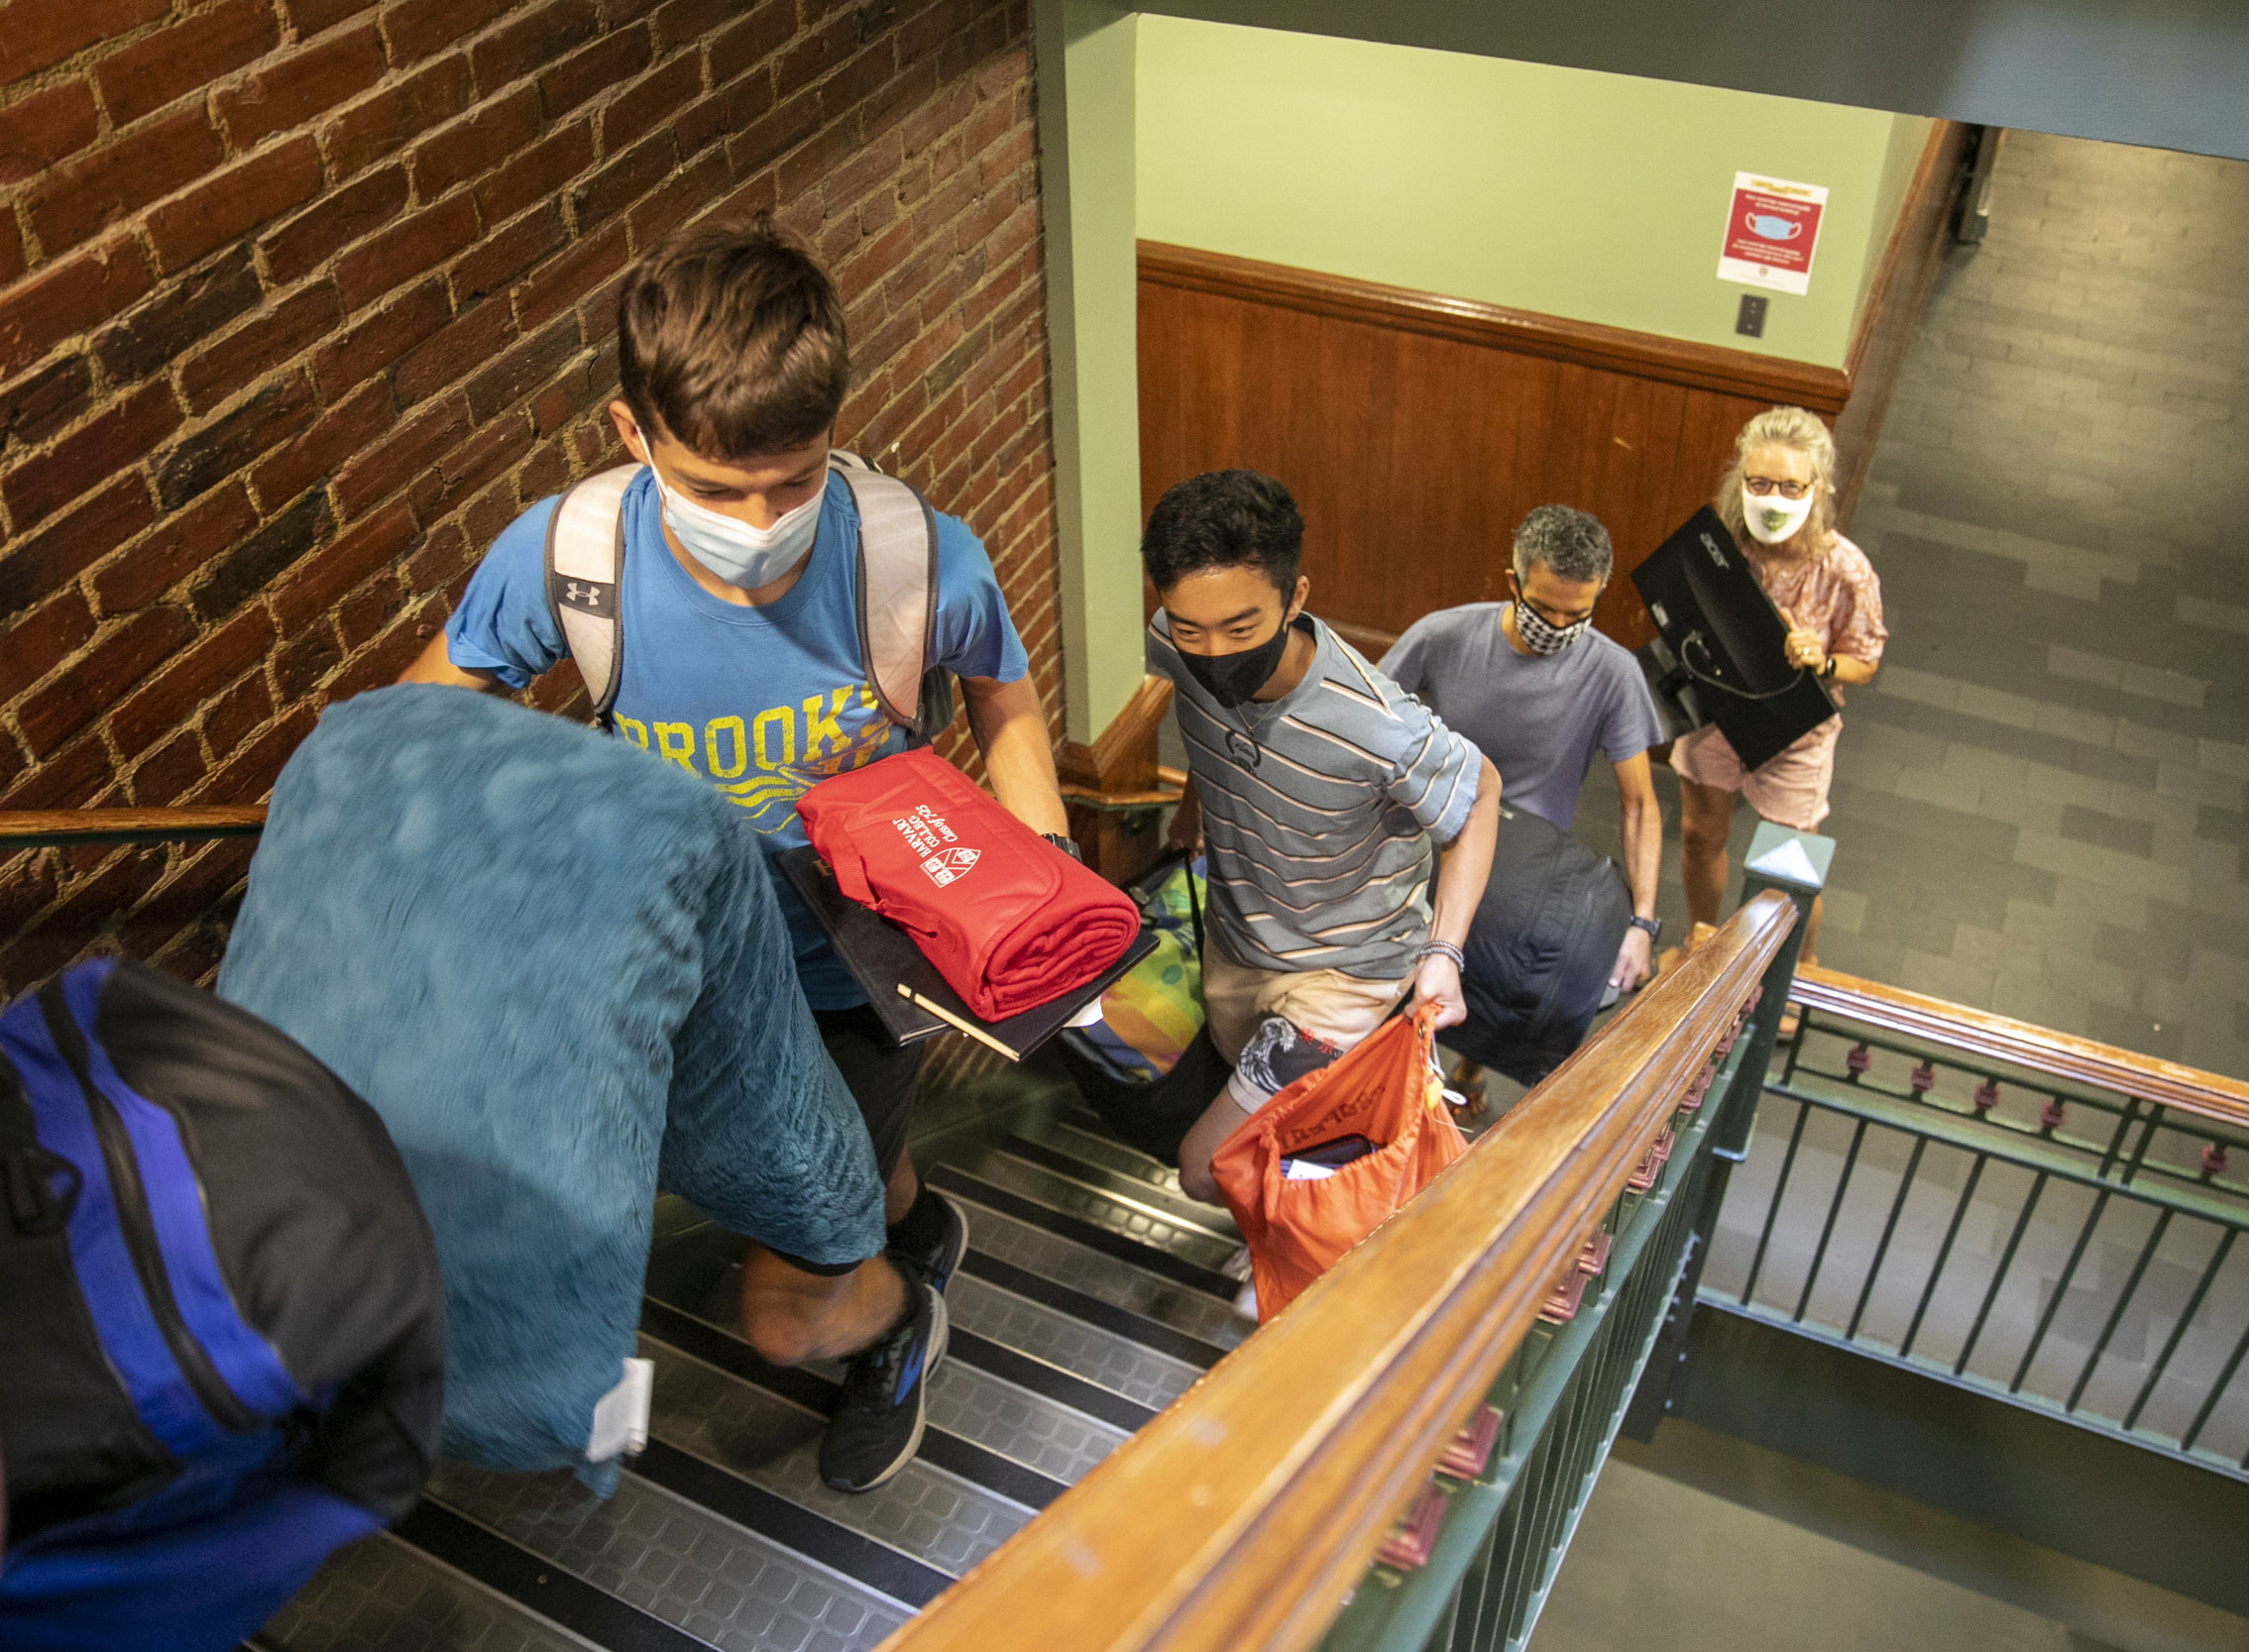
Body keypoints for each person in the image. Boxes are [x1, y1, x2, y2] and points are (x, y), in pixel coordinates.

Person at [397, 215, 1070, 1492]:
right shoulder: (569, 560)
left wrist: (1035, 874)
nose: (758, 521)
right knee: (827, 1177)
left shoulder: (915, 555)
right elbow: (413, 730)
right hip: (679, 955)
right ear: (628, 431)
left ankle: (889, 1318)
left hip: (861, 965)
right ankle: (914, 1229)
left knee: (789, 1296)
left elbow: (1004, 696)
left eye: (794, 478)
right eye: (714, 488)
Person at [1142, 470, 1502, 1206]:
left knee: (1205, 1166)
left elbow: (1483, 790)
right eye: (1189, 628)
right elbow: (1206, 724)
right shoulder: (1169, 646)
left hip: (1344, 977)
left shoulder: (1377, 725)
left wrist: (1443, 954)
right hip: (1238, 938)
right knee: (1272, 1133)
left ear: (1295, 597)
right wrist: (1193, 806)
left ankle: (1349, 1227)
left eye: (1240, 628)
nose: (1211, 653)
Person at [1380, 504, 1665, 994]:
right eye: (1542, 607)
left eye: (1574, 614)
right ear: (1512, 581)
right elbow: (1366, 724)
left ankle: (1469, 1068)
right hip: (1433, 836)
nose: (1555, 625)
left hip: (1526, 866)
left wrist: (1642, 924)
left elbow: (1639, 805)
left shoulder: (1614, 674)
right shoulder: (1441, 635)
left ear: (1599, 591)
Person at [1671, 405, 1885, 974]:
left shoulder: (1847, 570)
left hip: (1798, 731)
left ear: (1818, 490)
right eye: (1759, 483)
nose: (1773, 498)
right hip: (1716, 713)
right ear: (1738, 481)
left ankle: (1798, 970)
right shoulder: (1719, 544)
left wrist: (1822, 661)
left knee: (1788, 864)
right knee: (1699, 837)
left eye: (1791, 486)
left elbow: (1864, 661)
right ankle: (1701, 944)